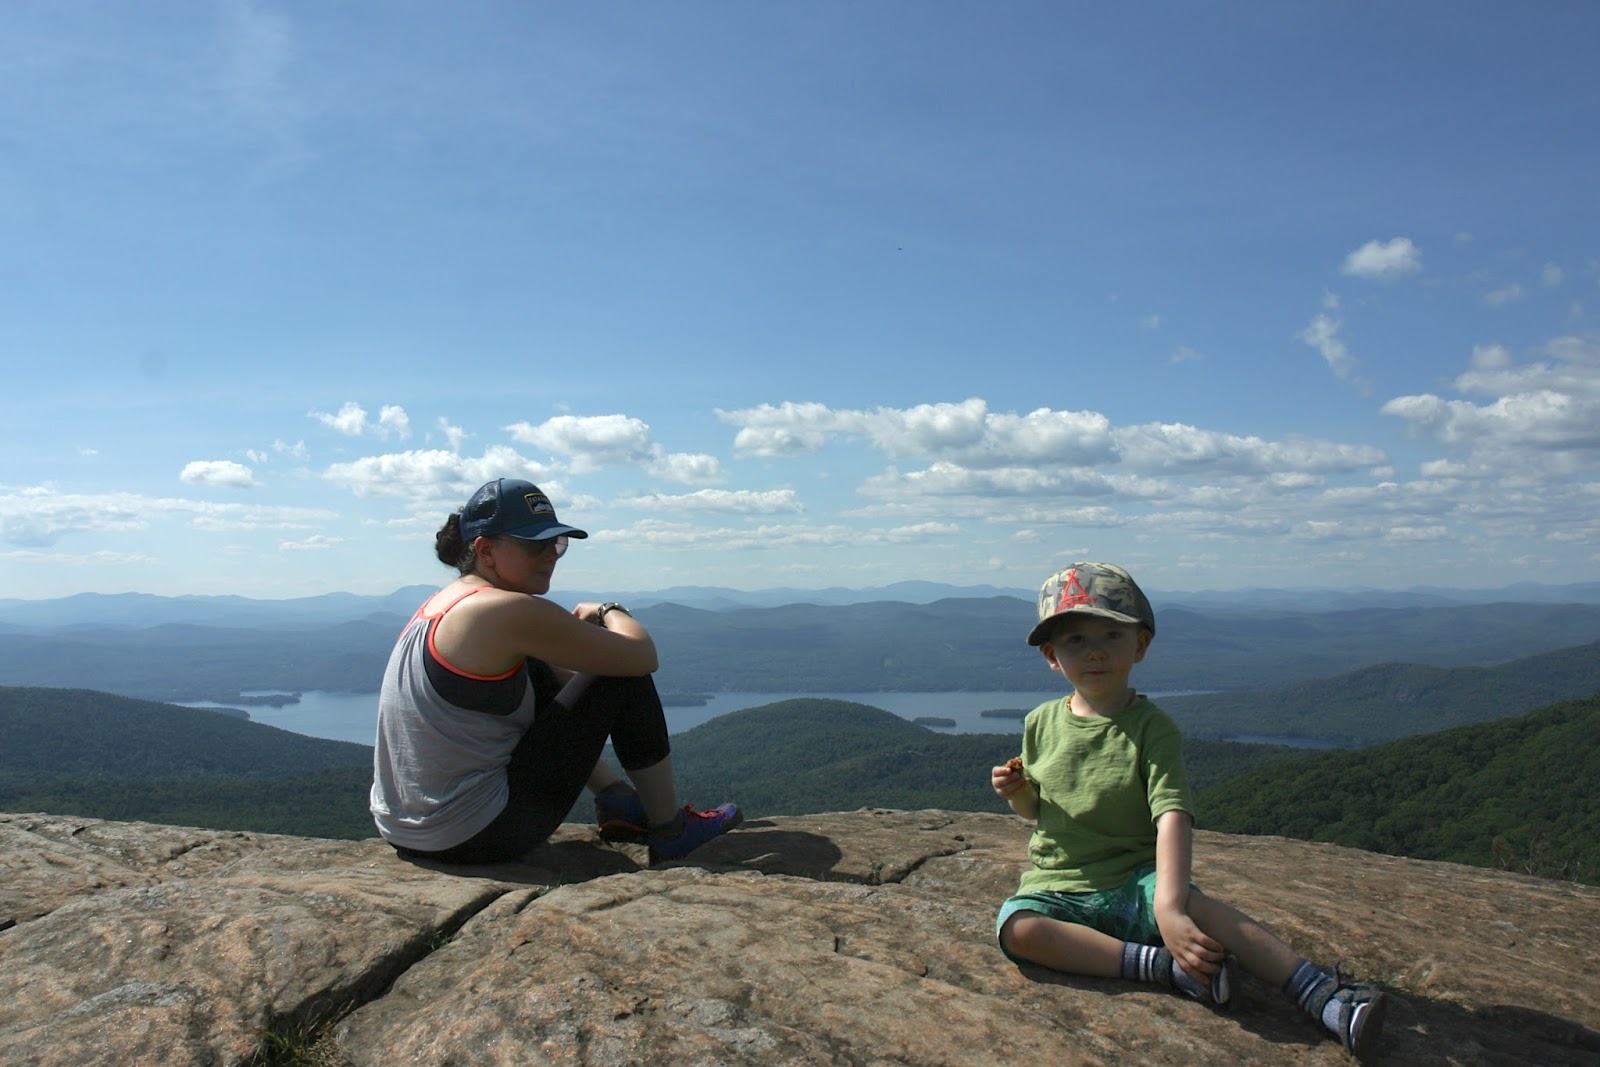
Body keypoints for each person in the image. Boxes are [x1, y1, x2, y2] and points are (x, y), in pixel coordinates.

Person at [990, 562, 1388, 1060]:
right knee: (1018, 929)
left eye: (1111, 635)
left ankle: (1321, 994)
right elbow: (1036, 811)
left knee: (1202, 910)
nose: (1094, 652)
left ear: (1140, 645)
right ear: (1052, 656)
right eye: (1075, 640)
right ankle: (1165, 968)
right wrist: (1016, 793)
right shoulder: (1040, 722)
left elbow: (1172, 814)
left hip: (1136, 882)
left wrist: (1169, 905)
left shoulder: (1151, 729)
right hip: (1060, 885)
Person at [370, 477, 741, 866]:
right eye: (535, 544)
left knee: (547, 666)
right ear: (485, 549)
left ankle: (616, 798)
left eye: (557, 543)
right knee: (619, 671)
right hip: (478, 835)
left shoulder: (443, 604)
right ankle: (670, 830)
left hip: (407, 830)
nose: (551, 554)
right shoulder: (504, 609)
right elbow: (641, 655)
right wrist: (609, 611)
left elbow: (567, 693)